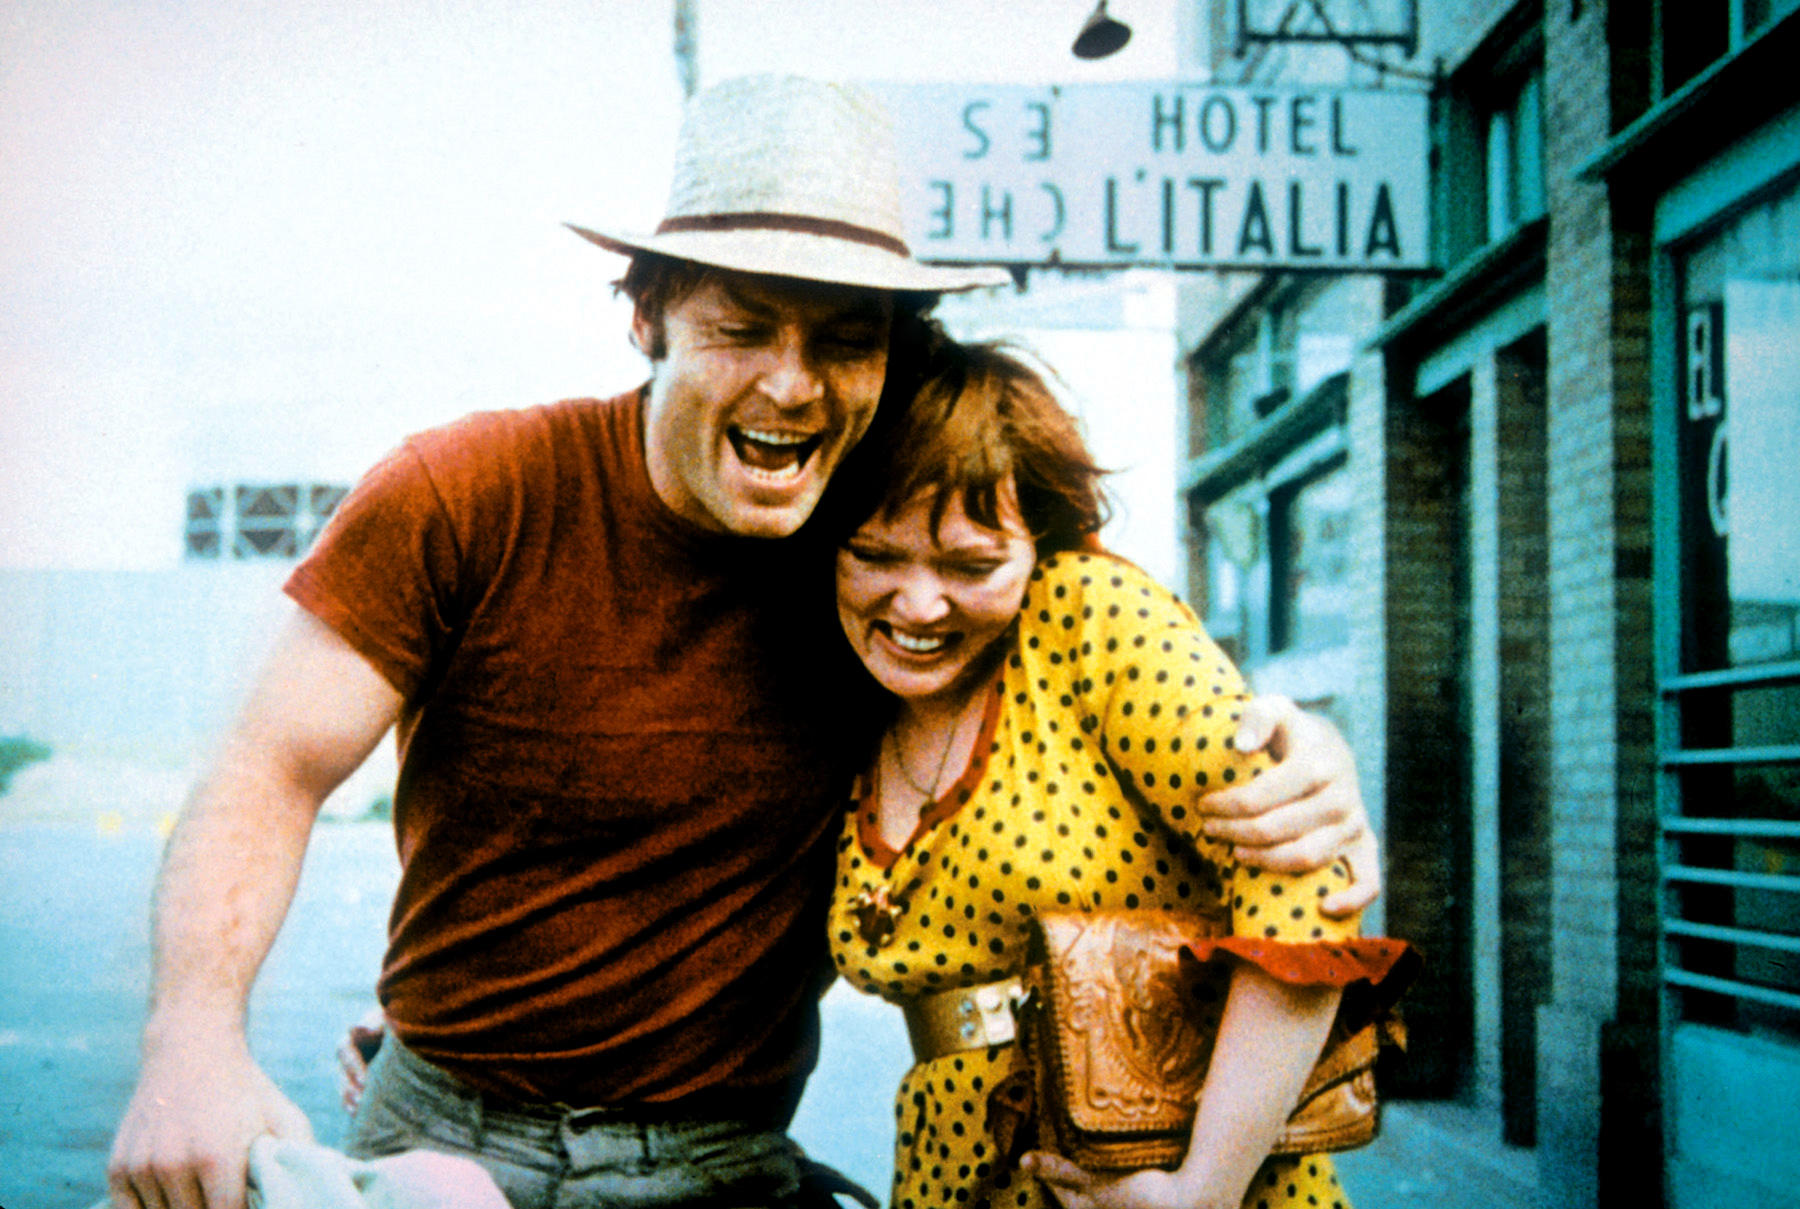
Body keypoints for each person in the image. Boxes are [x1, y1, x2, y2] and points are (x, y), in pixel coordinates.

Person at [107, 75, 1378, 1209]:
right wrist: (192, 1044)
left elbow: (1094, 635)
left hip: (717, 1166)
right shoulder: (467, 491)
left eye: (843, 338)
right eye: (743, 326)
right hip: (438, 1133)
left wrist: (1297, 755)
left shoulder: (884, 555)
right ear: (647, 314)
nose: (793, 384)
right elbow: (268, 771)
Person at [821, 339, 1413, 1209]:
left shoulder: (1086, 620)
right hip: (954, 1179)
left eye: (971, 566)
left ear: (1041, 544)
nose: (917, 604)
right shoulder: (840, 691)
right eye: (874, 555)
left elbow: (1305, 875)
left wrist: (1204, 1188)